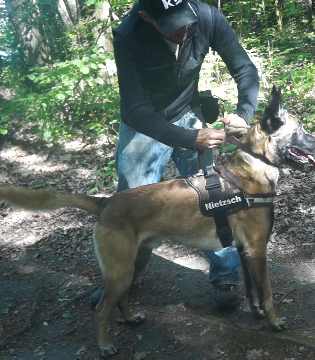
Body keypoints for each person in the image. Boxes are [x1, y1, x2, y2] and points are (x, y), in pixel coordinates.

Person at [91, 0, 259, 310]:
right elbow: (137, 109)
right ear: (147, 17)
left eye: (186, 21)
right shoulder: (128, 35)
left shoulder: (206, 17)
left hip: (187, 111)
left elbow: (244, 69)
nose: (183, 30)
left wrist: (244, 113)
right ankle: (120, 279)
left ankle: (225, 274)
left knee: (212, 194)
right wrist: (188, 138)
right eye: (173, 26)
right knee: (130, 205)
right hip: (144, 123)